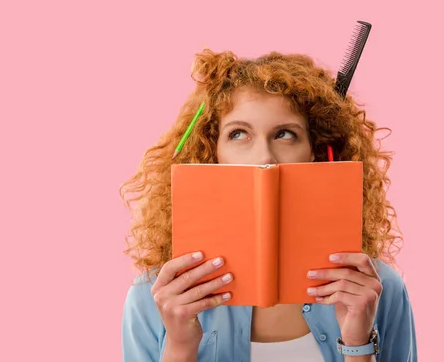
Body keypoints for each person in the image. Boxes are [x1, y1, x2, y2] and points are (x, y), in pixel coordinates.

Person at [120, 49, 417, 362]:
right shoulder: (154, 297)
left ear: (315, 151)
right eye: (239, 134)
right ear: (212, 152)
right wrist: (180, 346)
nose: (264, 158)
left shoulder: (376, 291)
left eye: (285, 134)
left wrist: (358, 343)